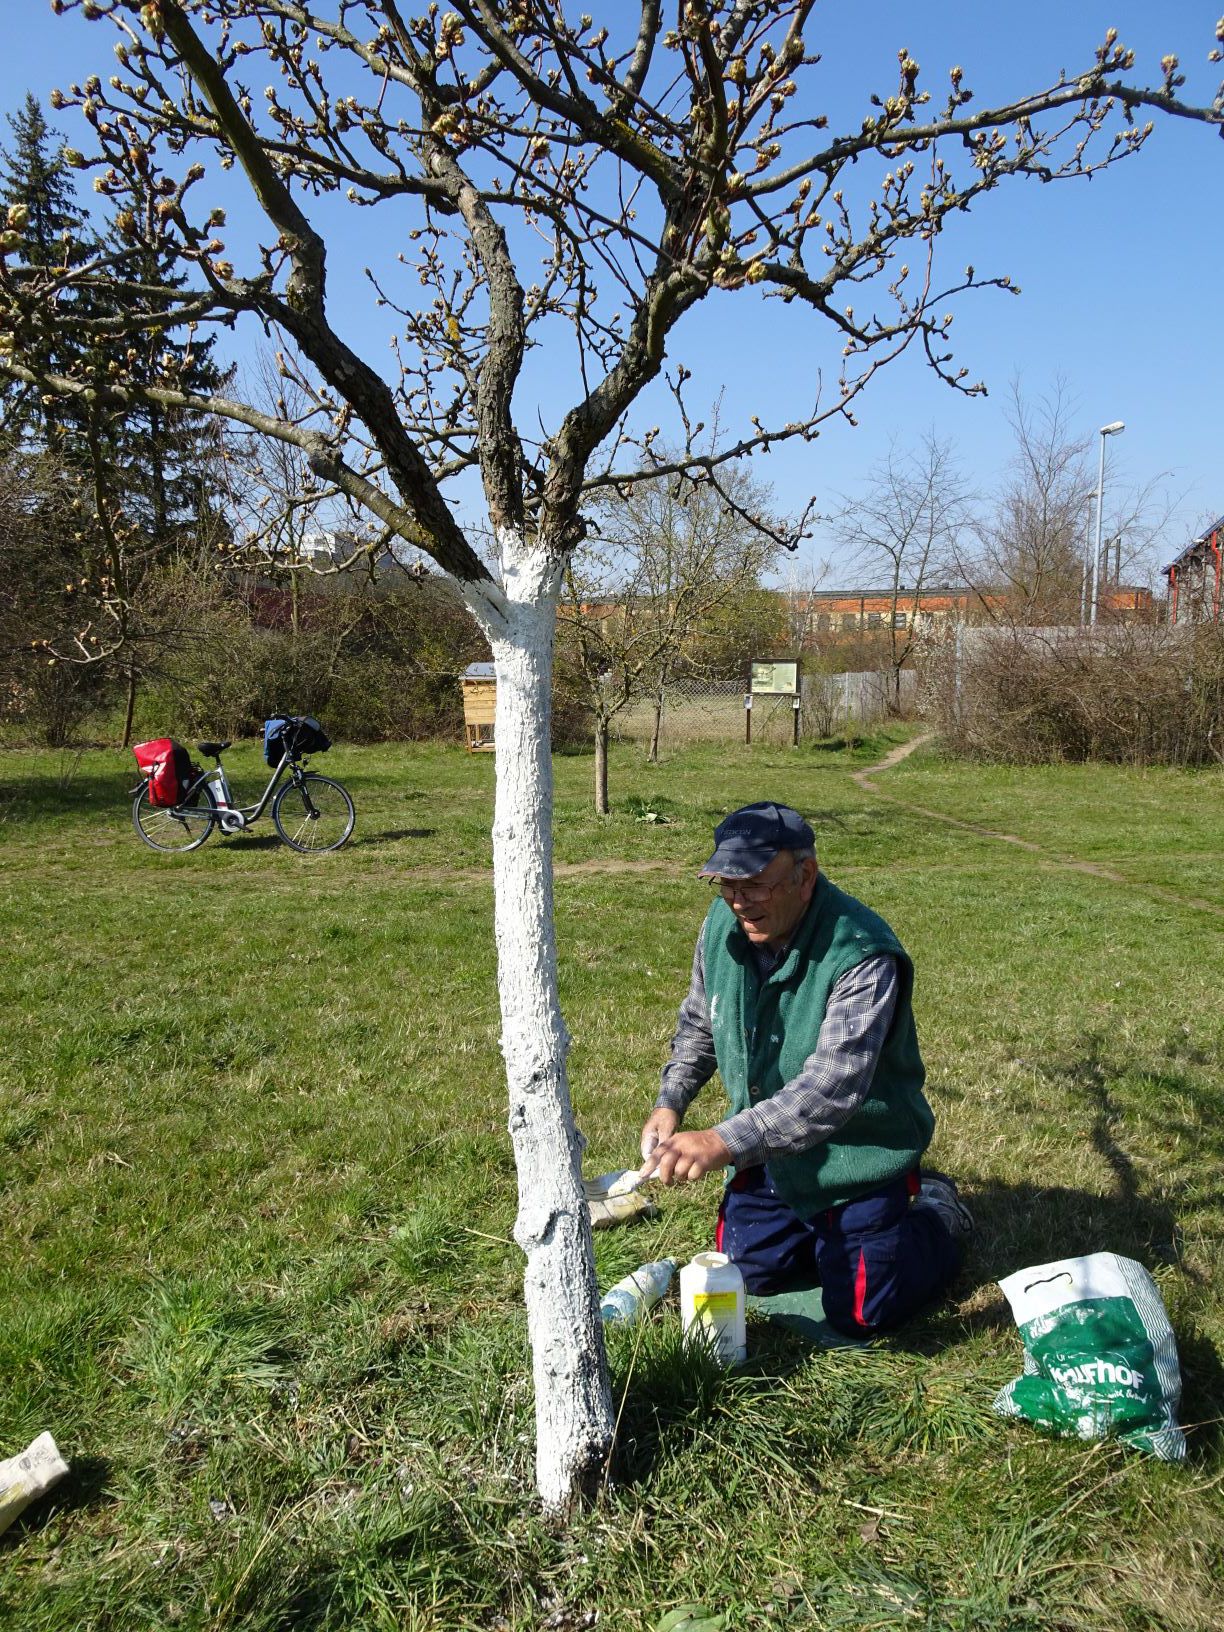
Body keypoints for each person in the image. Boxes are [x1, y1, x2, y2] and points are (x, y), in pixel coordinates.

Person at [638, 801, 971, 1338]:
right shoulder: (724, 923)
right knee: (746, 1274)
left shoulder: (862, 954)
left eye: (755, 885)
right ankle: (837, 1240)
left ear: (805, 875)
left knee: (862, 1313)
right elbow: (703, 1019)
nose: (739, 902)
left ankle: (934, 1214)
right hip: (774, 1155)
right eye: (725, 883)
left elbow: (830, 1090)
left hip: (857, 1159)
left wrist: (720, 1141)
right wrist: (670, 1100)